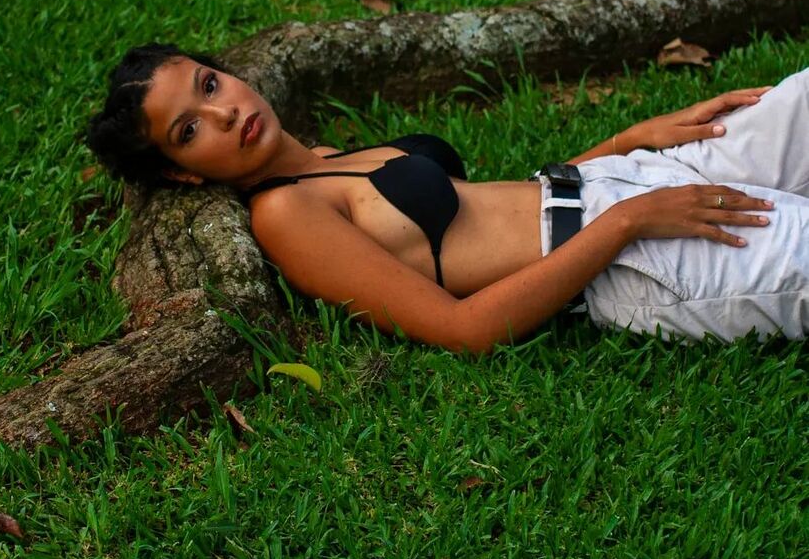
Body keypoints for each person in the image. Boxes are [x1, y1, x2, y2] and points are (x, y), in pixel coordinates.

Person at [87, 44, 809, 352]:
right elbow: (463, 330)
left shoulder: (325, 160)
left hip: (623, 187)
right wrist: (626, 223)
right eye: (189, 130)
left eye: (210, 85)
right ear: (182, 174)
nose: (222, 113)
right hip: (630, 262)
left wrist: (629, 141)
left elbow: (502, 207)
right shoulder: (284, 214)